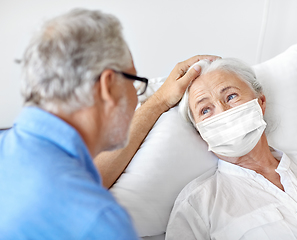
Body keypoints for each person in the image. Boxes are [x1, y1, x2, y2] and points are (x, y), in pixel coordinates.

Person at [0, 8, 218, 239]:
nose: (136, 95)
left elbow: (86, 177)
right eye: (134, 81)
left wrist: (160, 101)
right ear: (107, 85)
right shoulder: (100, 222)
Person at [166, 58, 297, 239]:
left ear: (260, 102)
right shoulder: (198, 205)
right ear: (200, 132)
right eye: (205, 110)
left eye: (231, 96)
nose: (223, 113)